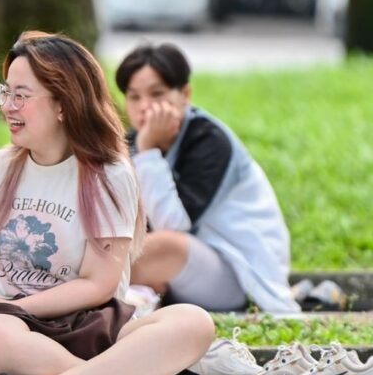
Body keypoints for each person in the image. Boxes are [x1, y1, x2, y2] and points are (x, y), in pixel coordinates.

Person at [0, 31, 215, 375]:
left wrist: (13, 306)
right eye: (6, 93)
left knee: (194, 322)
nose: (8, 107)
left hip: (92, 326)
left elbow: (97, 285)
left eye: (21, 96)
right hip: (18, 332)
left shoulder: (108, 175)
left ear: (63, 103)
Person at [114, 43, 297, 313]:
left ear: (185, 94)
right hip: (183, 272)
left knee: (162, 246)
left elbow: (173, 226)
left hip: (241, 275)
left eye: (157, 94)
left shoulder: (208, 140)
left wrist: (149, 151)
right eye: (134, 97)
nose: (145, 107)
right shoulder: (131, 143)